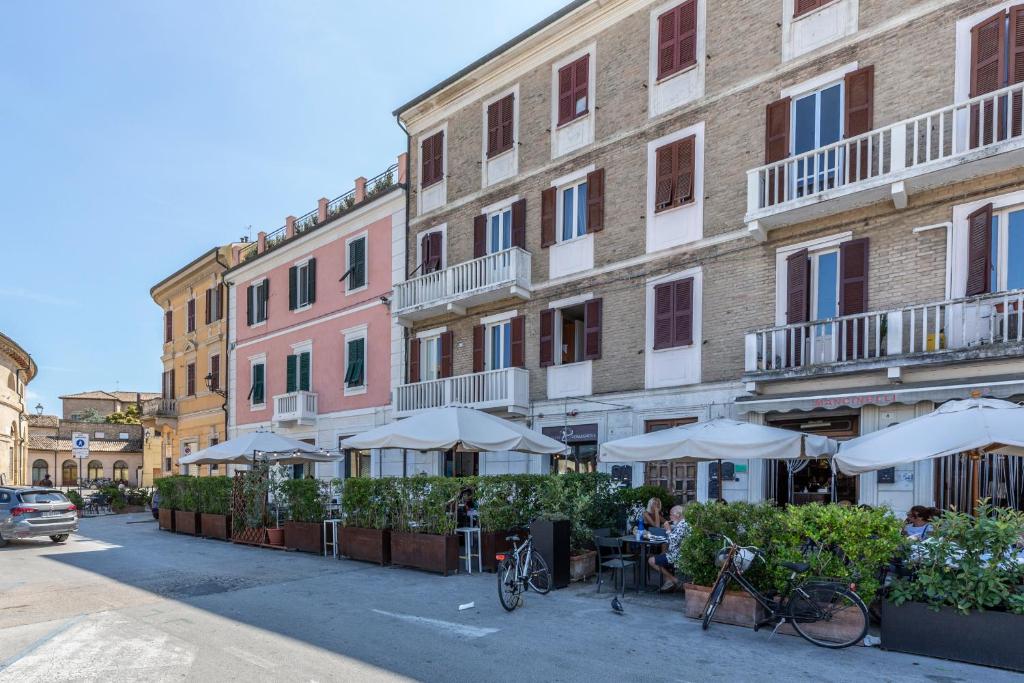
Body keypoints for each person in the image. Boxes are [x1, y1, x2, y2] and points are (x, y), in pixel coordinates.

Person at [648, 505, 690, 592]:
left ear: (678, 514)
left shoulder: (683, 524)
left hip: (678, 556)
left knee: (651, 560)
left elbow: (674, 541)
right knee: (661, 555)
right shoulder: (682, 523)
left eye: (671, 514)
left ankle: (674, 580)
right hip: (677, 553)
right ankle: (669, 582)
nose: (670, 517)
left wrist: (668, 529)